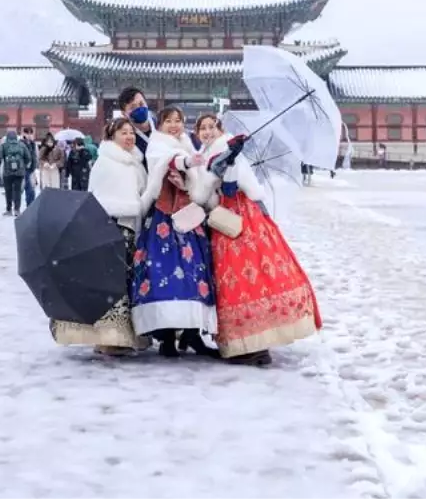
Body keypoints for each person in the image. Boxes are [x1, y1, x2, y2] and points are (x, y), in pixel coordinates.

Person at [191, 114, 321, 367]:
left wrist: (226, 169)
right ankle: (248, 343)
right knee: (240, 280)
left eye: (211, 127)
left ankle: (255, 345)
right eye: (202, 128)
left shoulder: (229, 151)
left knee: (247, 278)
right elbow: (204, 194)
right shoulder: (209, 156)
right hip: (229, 219)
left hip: (240, 219)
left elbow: (239, 187)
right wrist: (214, 171)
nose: (207, 132)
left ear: (220, 130)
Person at [51, 118, 151, 356]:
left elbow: (141, 195)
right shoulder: (106, 162)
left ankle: (126, 335)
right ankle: (109, 337)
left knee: (126, 282)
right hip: (111, 226)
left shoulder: (135, 162)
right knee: (112, 284)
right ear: (112, 136)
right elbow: (97, 197)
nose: (129, 137)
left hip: (131, 228)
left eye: (131, 132)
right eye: (123, 133)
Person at [131, 106, 218, 357]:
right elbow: (171, 160)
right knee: (163, 273)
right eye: (168, 121)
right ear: (159, 125)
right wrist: (188, 162)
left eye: (178, 121)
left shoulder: (188, 144)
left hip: (187, 216)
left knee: (195, 273)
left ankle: (192, 334)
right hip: (163, 217)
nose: (174, 125)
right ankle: (167, 336)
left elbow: (197, 182)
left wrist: (188, 180)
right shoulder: (157, 145)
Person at [0, 130, 31, 217]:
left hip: (7, 172)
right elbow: (28, 157)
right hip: (19, 172)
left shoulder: (4, 145)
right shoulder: (22, 145)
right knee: (17, 191)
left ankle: (9, 210)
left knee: (8, 191)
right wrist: (24, 165)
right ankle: (17, 210)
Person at [117, 86, 155, 156]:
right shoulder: (125, 140)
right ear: (124, 114)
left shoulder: (162, 125)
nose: (139, 109)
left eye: (141, 104)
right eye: (133, 107)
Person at [21, 127, 40, 206]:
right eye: (27, 133)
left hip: (32, 169)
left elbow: (36, 155)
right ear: (24, 134)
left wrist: (36, 164)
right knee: (27, 188)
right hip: (23, 169)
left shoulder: (33, 144)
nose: (29, 135)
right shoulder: (21, 143)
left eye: (30, 133)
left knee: (32, 189)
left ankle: (31, 205)